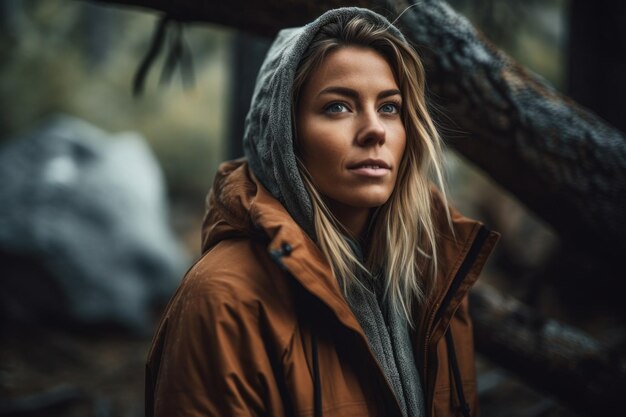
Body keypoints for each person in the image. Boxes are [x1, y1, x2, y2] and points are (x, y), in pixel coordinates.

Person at [145, 7, 499, 417]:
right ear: (285, 134)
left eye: (389, 107)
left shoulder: (431, 275)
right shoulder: (224, 300)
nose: (375, 130)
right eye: (338, 107)